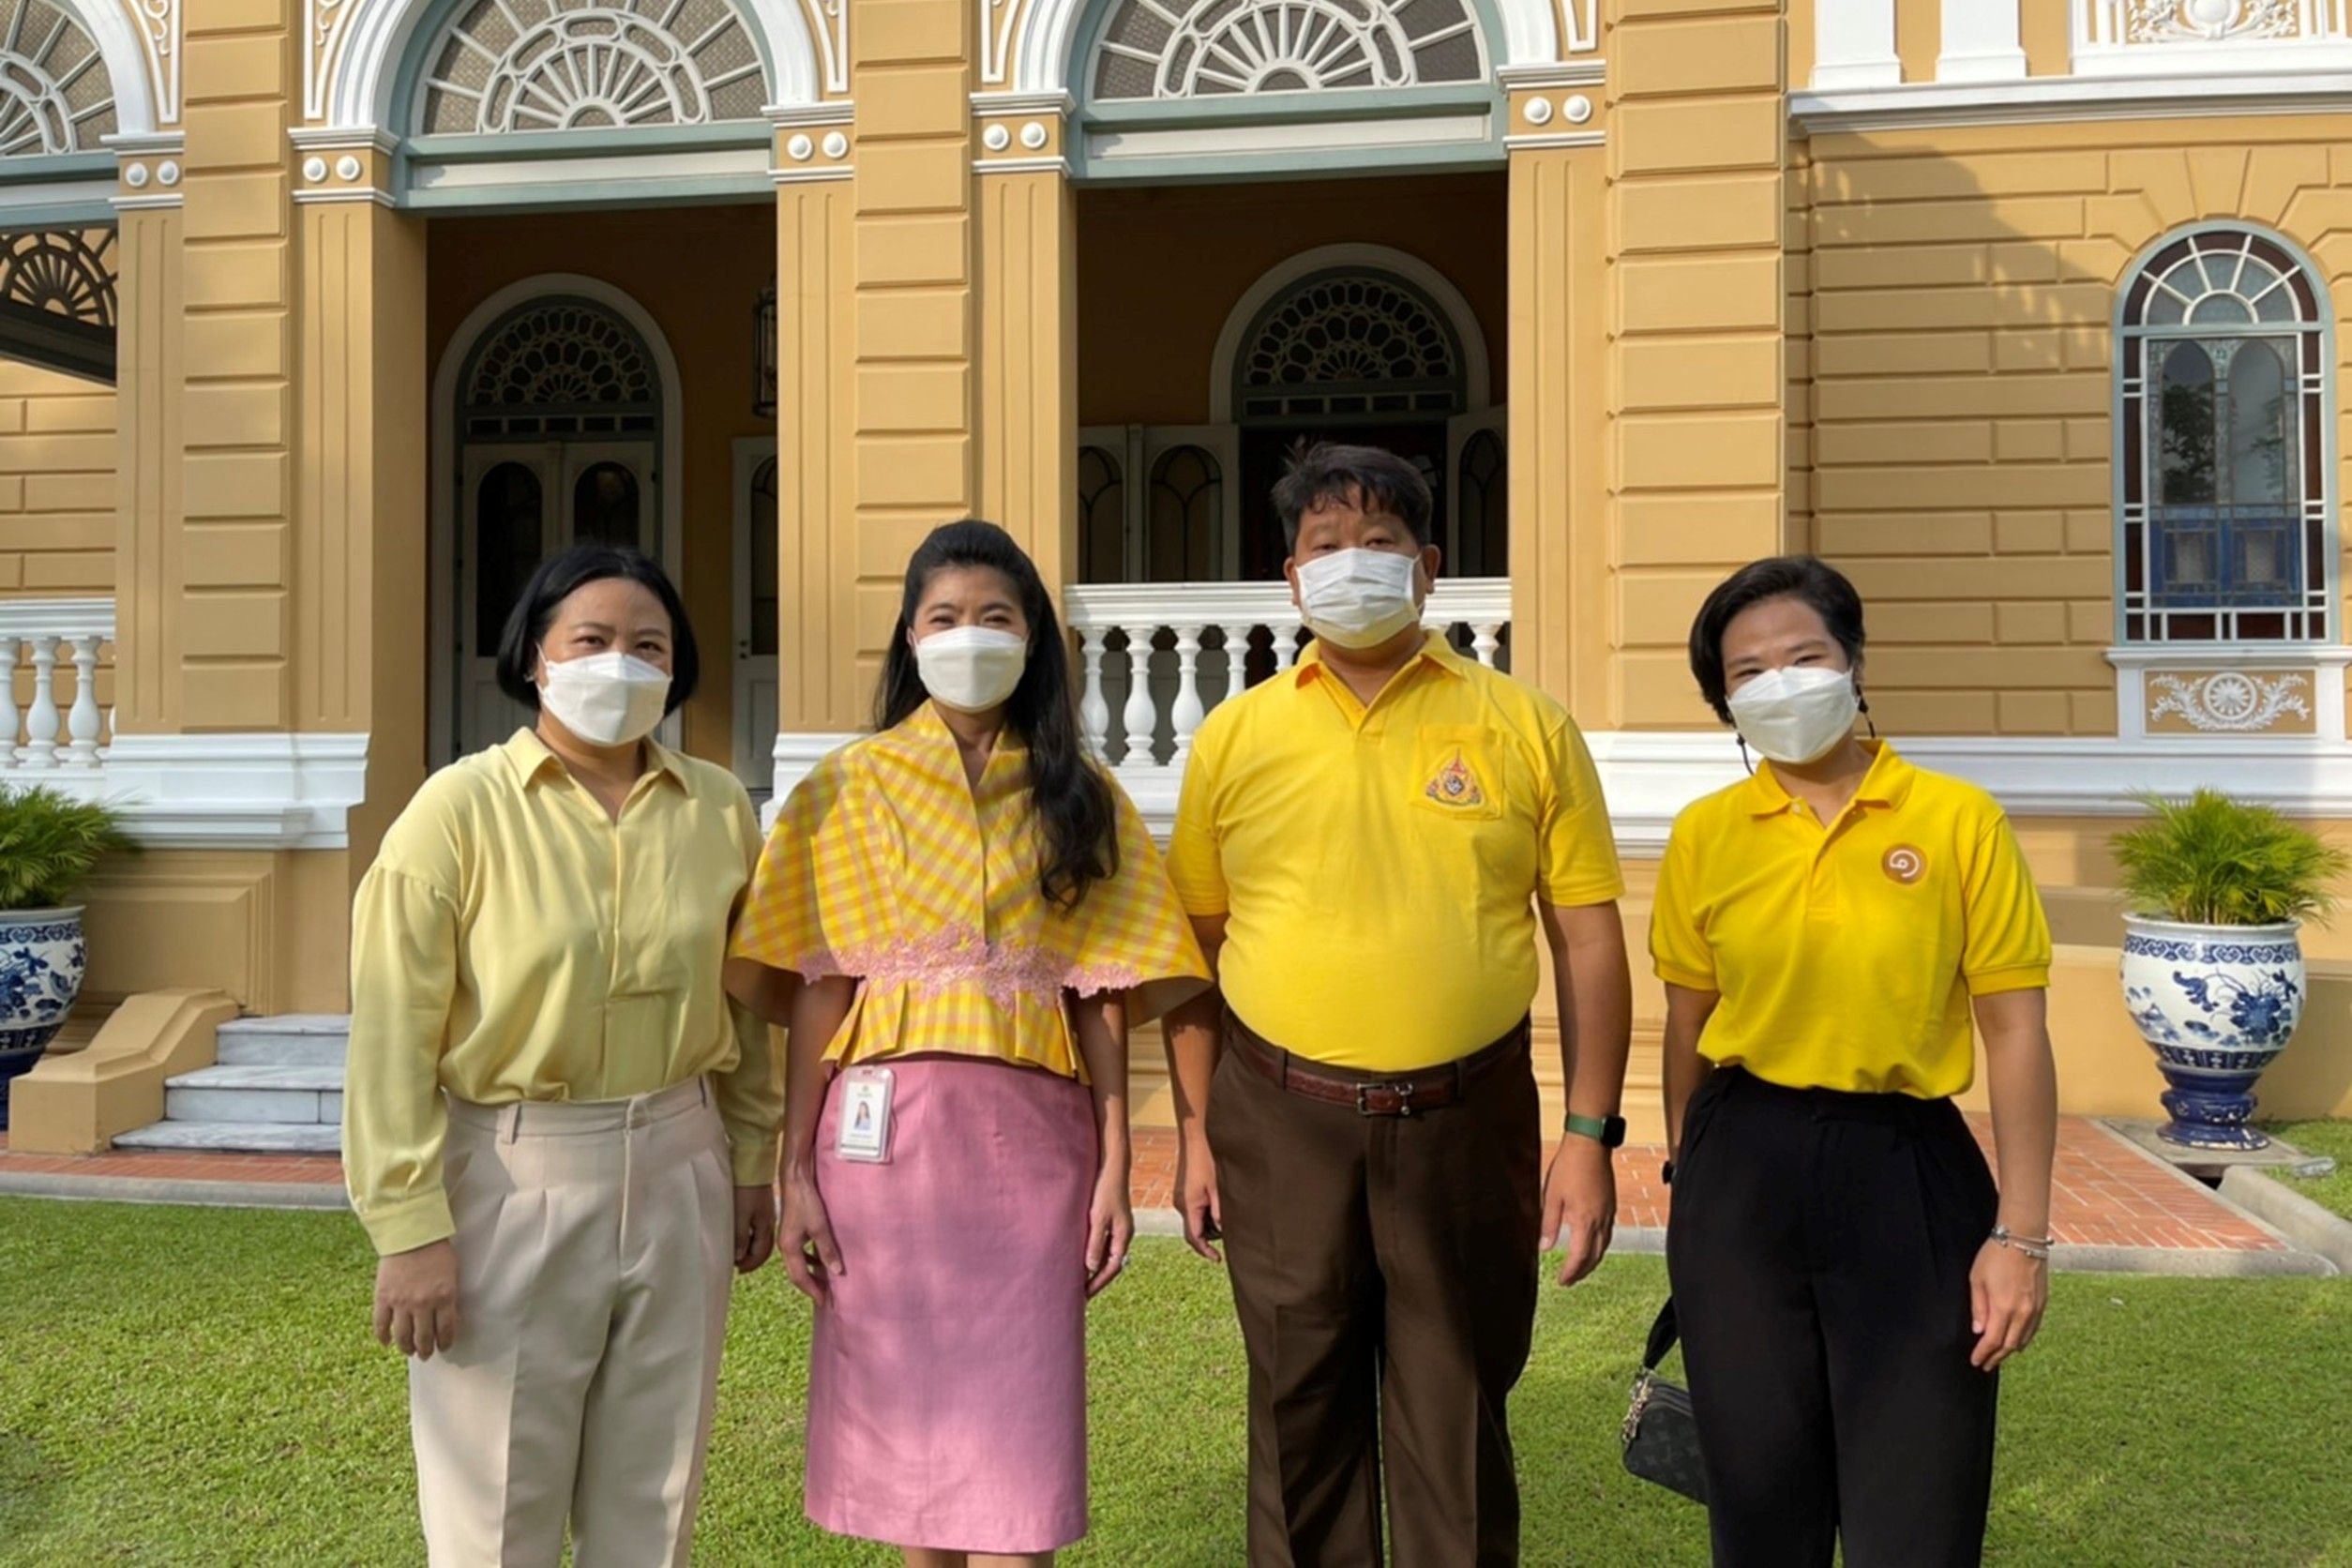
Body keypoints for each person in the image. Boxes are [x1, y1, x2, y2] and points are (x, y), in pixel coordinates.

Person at [1163, 442, 1634, 1566]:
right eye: (1328, 546)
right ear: (1291, 578)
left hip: (1466, 1121)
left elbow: (1587, 937)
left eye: (1380, 544)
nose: (1353, 565)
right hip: (1277, 1121)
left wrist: (1588, 1135)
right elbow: (1195, 949)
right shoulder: (1234, 735)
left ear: (1428, 566)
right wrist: (1192, 1130)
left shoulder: (1526, 725)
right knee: (1298, 1419)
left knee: (1456, 1414)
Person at [727, 520, 1211, 1568]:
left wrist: (1117, 1166)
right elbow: (820, 989)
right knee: (916, 1481)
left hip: (1035, 1150)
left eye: (996, 616)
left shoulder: (1080, 794)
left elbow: (1103, 995)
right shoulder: (842, 790)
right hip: (882, 1152)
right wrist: (794, 1168)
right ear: (909, 637)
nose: (969, 635)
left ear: (1034, 637)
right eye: (945, 617)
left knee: (1019, 1479)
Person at [344, 544, 783, 1566]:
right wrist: (409, 1226)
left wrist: (753, 1158)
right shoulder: (456, 812)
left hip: (681, 1162)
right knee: (497, 1507)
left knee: (655, 1493)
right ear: (535, 656)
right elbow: (391, 1034)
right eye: (591, 640)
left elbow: (749, 1001)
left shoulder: (719, 809)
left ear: (677, 672)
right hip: (513, 1173)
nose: (618, 664)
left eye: (649, 645)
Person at [1654, 555, 2058, 1566]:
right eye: (1748, 673)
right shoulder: (1706, 836)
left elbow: (2014, 1028)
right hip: (1744, 1161)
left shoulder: (1959, 821)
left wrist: (2024, 1233)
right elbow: (1684, 1022)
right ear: (1725, 703)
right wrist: (1692, 1172)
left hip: (1907, 1170)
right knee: (1759, 1505)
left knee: (1916, 1509)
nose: (1781, 684)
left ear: (1855, 661)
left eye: (1805, 655)